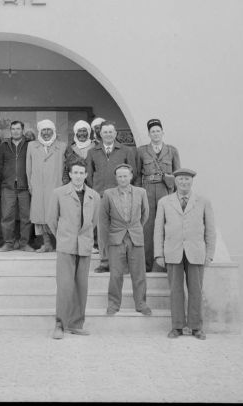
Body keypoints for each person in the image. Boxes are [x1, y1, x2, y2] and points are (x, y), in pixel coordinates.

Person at [154, 168, 216, 340]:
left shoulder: (203, 202)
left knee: (196, 290)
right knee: (175, 290)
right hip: (172, 252)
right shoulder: (165, 202)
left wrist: (209, 254)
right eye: (180, 179)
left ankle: (196, 327)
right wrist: (159, 253)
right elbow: (158, 230)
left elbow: (210, 230)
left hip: (196, 252)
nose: (184, 183)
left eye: (187, 180)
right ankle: (177, 326)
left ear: (192, 182)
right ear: (175, 181)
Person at [46, 160, 101, 339]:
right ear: (70, 174)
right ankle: (60, 325)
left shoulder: (94, 195)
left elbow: (94, 221)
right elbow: (51, 220)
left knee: (81, 287)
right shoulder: (59, 193)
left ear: (86, 175)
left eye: (81, 173)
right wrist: (63, 236)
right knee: (64, 286)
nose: (78, 176)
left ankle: (76, 324)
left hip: (84, 246)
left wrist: (83, 238)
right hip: (66, 246)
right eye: (75, 172)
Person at [100, 164, 151, 316]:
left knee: (139, 273)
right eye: (120, 176)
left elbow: (145, 215)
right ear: (116, 178)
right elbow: (103, 220)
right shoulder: (108, 194)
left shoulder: (141, 192)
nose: (123, 179)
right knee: (115, 274)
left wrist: (134, 229)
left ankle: (141, 304)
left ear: (131, 176)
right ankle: (113, 304)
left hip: (136, 237)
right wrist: (107, 240)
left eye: (125, 175)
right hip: (116, 238)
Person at [86, 121, 134, 273]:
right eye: (105, 132)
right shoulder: (93, 152)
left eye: (110, 132)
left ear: (115, 133)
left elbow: (134, 174)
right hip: (101, 196)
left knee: (122, 230)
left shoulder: (126, 150)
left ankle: (122, 262)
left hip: (121, 195)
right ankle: (105, 262)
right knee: (103, 230)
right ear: (100, 134)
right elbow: (89, 175)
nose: (108, 134)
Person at [135, 118, 181, 272]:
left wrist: (177, 195)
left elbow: (177, 175)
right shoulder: (141, 151)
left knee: (165, 225)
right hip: (147, 190)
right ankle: (147, 264)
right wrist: (138, 195)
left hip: (165, 191)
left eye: (158, 131)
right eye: (152, 131)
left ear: (163, 133)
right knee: (147, 227)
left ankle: (165, 263)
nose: (155, 134)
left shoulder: (172, 150)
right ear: (148, 134)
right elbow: (136, 175)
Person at [26, 119, 67, 253]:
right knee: (41, 216)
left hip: (56, 185)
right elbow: (28, 167)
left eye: (49, 130)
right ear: (39, 131)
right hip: (38, 186)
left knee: (57, 215)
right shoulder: (32, 145)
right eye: (43, 130)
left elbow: (67, 167)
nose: (46, 133)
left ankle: (61, 244)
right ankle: (47, 244)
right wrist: (30, 184)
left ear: (54, 131)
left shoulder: (62, 146)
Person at [0, 121, 33, 252]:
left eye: (18, 129)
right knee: (7, 216)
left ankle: (24, 244)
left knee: (26, 216)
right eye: (13, 129)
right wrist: (6, 178)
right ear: (10, 130)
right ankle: (8, 243)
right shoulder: (4, 145)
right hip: (8, 186)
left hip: (25, 186)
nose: (15, 131)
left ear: (23, 130)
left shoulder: (30, 145)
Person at [62, 120, 94, 185]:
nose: (82, 133)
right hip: (74, 185)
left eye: (84, 131)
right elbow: (66, 169)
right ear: (76, 133)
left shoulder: (95, 147)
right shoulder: (70, 149)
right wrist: (66, 183)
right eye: (79, 131)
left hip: (92, 185)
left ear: (88, 132)